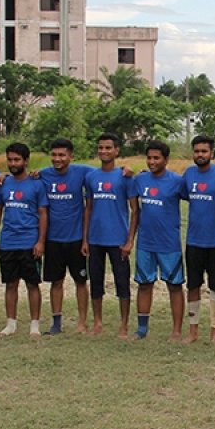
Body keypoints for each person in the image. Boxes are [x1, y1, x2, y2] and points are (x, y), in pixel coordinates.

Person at [130, 140, 188, 340]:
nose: (152, 162)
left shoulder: (177, 181)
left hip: (169, 244)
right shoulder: (140, 180)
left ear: (166, 159)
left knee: (174, 286)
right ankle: (142, 329)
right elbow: (135, 212)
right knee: (144, 285)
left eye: (156, 158)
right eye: (149, 158)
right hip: (145, 243)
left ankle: (177, 330)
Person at [0, 142, 48, 336]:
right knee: (11, 283)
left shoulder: (36, 183)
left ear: (26, 161)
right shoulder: (3, 183)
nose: (13, 163)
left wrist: (40, 241)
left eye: (17, 159)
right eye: (10, 159)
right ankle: (11, 324)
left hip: (29, 242)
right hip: (8, 242)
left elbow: (43, 214)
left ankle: (34, 325)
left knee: (32, 284)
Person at [86, 133, 137, 338]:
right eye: (100, 148)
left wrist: (130, 240)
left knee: (122, 283)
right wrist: (85, 239)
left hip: (118, 240)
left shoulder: (125, 176)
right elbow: (88, 209)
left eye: (108, 148)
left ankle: (123, 325)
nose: (104, 152)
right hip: (95, 239)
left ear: (117, 150)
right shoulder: (91, 177)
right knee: (95, 282)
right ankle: (98, 322)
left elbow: (135, 210)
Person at [40, 138, 92, 335]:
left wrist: (127, 170)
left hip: (76, 238)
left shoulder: (83, 172)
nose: (57, 158)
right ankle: (56, 322)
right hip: (53, 239)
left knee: (80, 281)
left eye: (62, 155)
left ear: (71, 156)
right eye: (54, 155)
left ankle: (82, 322)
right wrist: (1, 176)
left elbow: (108, 172)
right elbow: (21, 178)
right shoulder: (43, 175)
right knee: (56, 282)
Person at [183, 135, 215, 343]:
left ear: (212, 153)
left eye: (204, 151)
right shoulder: (188, 174)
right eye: (197, 151)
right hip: (193, 240)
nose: (200, 155)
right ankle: (193, 331)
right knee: (193, 286)